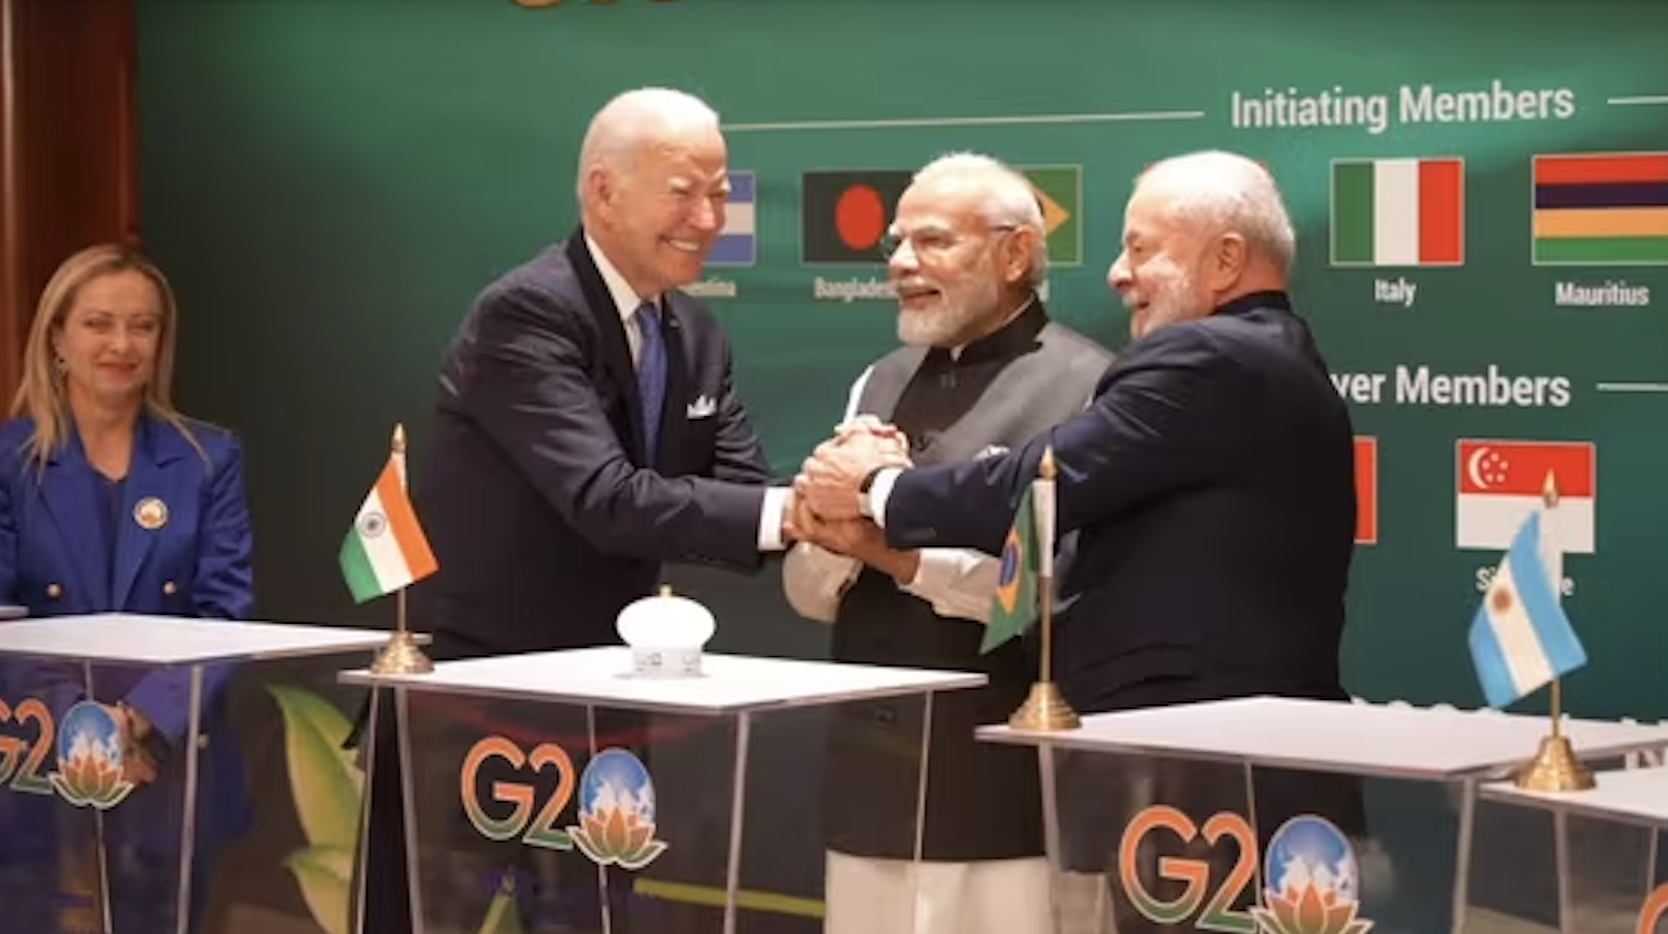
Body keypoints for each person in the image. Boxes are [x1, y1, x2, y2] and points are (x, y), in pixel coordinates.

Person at [795, 150, 1370, 931]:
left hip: (1194, 769)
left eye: (1141, 248)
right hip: (1207, 765)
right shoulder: (1274, 354)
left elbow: (1037, 486)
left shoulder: (1206, 357)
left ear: (1227, 260)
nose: (1117, 273)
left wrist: (876, 488)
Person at [361, 87, 795, 934]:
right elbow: (605, 500)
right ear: (603, 190)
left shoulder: (697, 334)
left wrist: (839, 498)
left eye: (720, 194)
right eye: (683, 192)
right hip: (474, 695)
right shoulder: (529, 313)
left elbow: (746, 488)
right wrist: (799, 514)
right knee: (423, 916)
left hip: (601, 695)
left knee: (594, 916)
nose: (708, 218)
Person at [782, 152, 1112, 934]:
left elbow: (1049, 596)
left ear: (1015, 254)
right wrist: (830, 533)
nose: (900, 263)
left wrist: (893, 553)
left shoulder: (1091, 388)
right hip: (869, 793)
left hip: (1009, 804)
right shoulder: (878, 381)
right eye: (895, 243)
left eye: (931, 241)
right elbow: (807, 595)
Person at [0, 242, 254, 934]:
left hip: (172, 766)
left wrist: (139, 718)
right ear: (57, 337)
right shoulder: (10, 463)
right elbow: (4, 617)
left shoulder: (209, 459)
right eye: (99, 324)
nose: (122, 344)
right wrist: (86, 726)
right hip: (36, 768)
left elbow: (225, 616)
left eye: (142, 326)